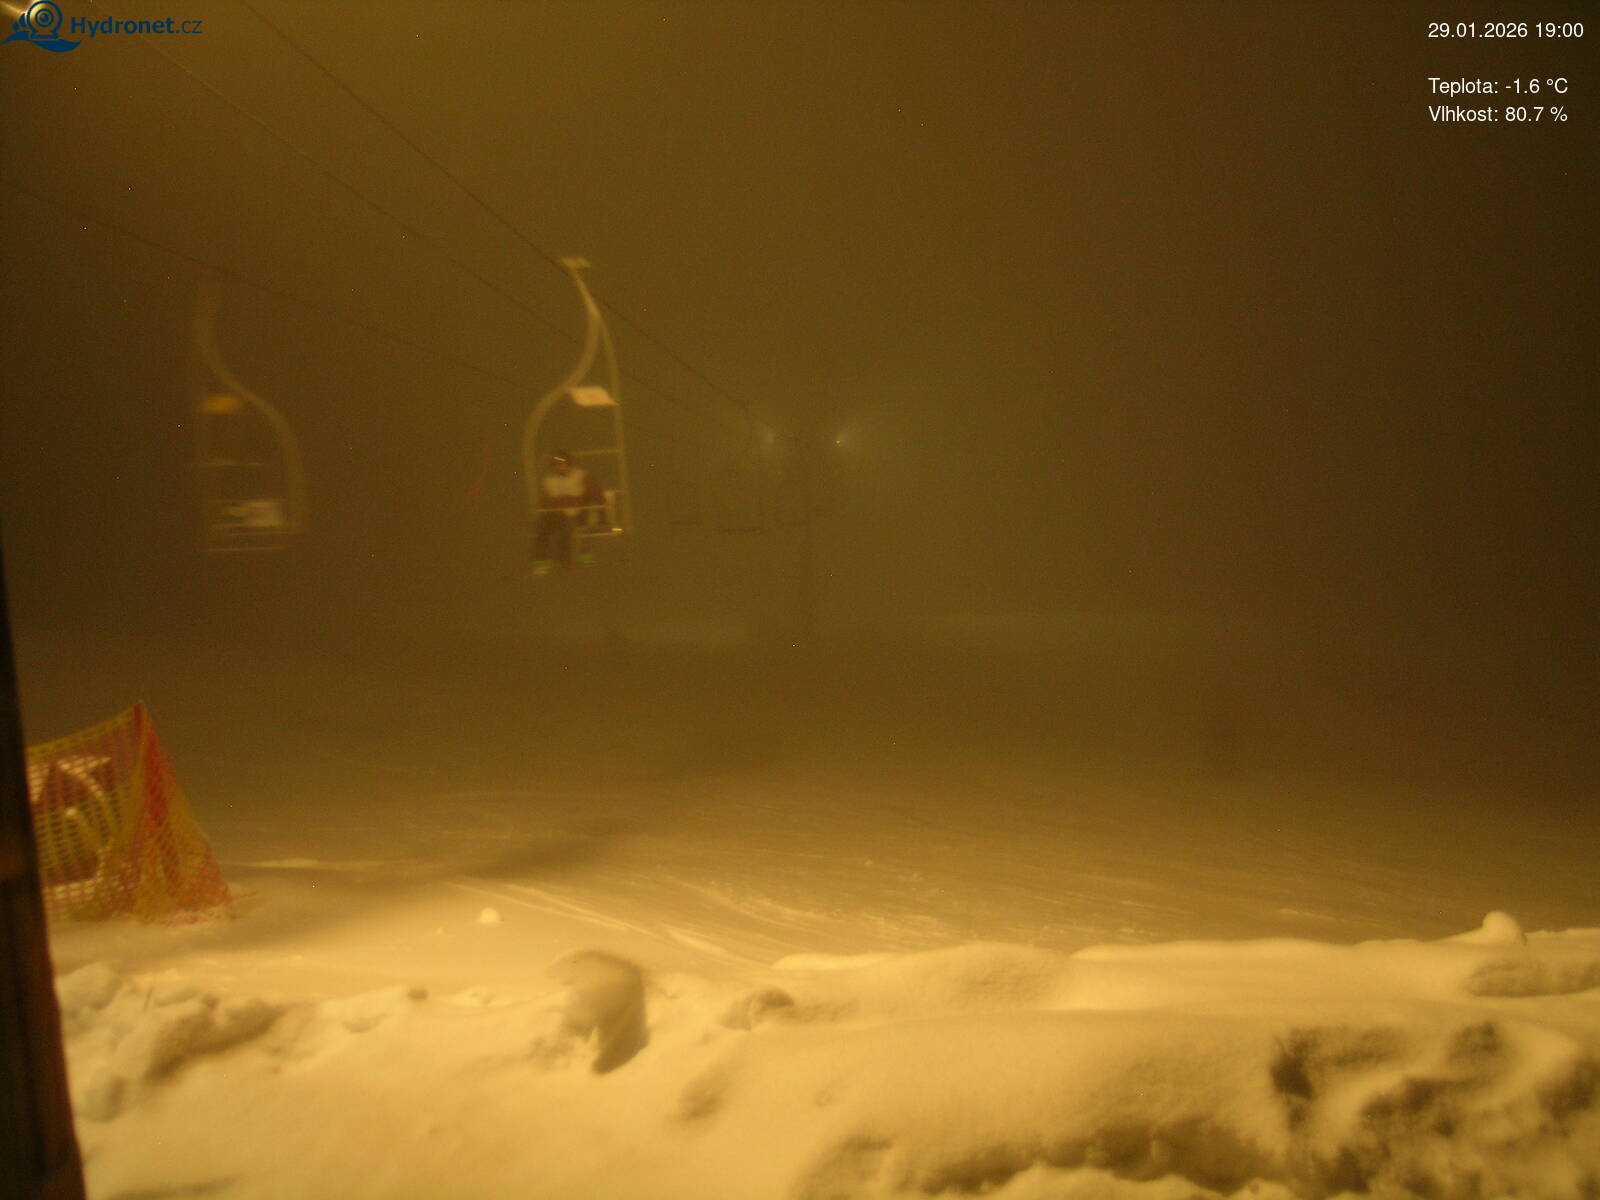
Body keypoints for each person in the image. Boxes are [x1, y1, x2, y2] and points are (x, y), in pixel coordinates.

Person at [531, 450, 603, 574]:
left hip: (577, 513)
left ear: (569, 464)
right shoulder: (549, 480)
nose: (560, 467)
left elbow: (595, 493)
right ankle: (541, 560)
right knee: (543, 527)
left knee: (568, 528)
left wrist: (598, 507)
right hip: (557, 514)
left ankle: (569, 559)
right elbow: (544, 500)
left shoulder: (581, 476)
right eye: (556, 464)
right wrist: (552, 503)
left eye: (563, 464)